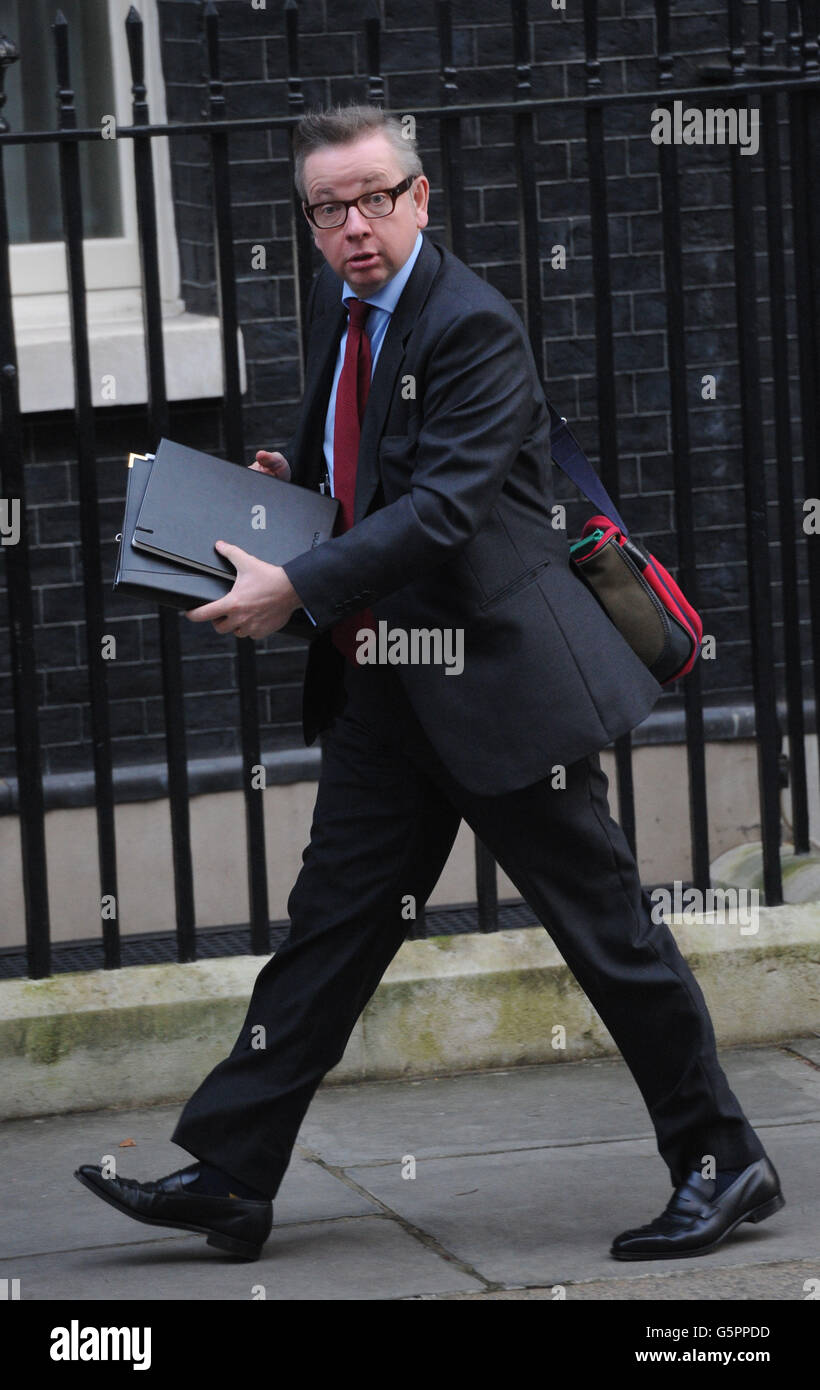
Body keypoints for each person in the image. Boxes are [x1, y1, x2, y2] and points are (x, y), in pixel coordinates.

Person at [75, 103, 783, 1263]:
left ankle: (722, 1159)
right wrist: (292, 481)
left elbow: (445, 508)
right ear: (308, 220)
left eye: (375, 198)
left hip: (499, 688)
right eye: (329, 207)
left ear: (418, 195)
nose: (355, 225)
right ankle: (233, 1172)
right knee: (330, 930)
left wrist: (296, 585)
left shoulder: (473, 325)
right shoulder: (340, 303)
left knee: (605, 933)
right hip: (386, 684)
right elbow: (367, 463)